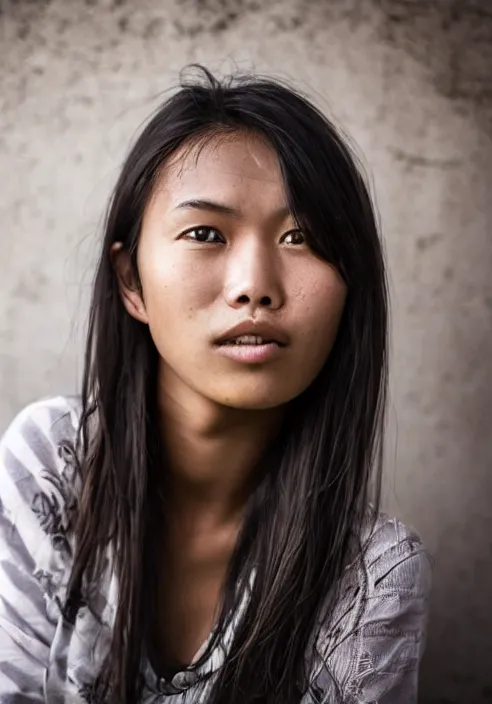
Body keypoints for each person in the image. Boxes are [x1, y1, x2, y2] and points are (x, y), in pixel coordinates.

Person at [0, 65, 431, 704]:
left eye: (302, 237)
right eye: (205, 234)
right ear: (131, 282)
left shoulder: (375, 580)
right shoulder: (54, 465)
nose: (254, 285)